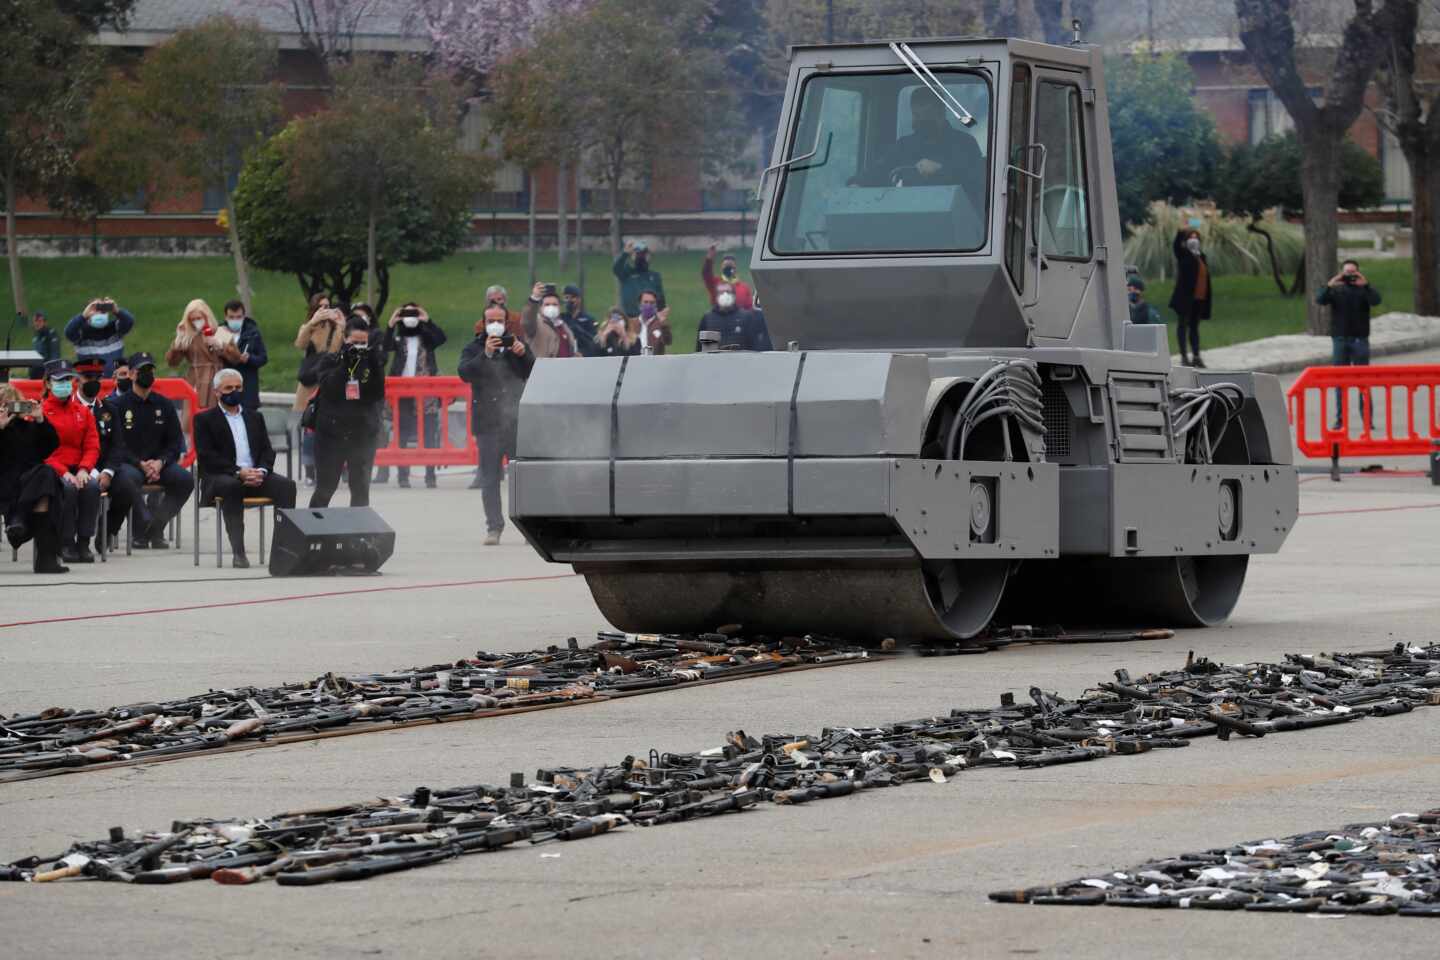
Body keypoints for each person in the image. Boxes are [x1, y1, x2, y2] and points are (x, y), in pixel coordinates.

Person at [195, 369, 298, 568]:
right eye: (228, 388)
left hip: (255, 475)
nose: (234, 391)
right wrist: (238, 472)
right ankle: (239, 553)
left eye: (238, 387)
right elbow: (207, 457)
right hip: (222, 477)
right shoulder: (204, 419)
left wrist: (261, 471)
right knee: (232, 486)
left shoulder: (254, 417)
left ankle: (282, 550)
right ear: (217, 392)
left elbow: (267, 451)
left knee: (287, 486)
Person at [457, 305, 533, 545]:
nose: (496, 324)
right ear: (483, 323)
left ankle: (528, 528)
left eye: (500, 319)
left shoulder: (515, 344)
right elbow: (464, 372)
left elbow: (532, 370)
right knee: (489, 479)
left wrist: (524, 354)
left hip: (514, 421)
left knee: (520, 478)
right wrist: (486, 354)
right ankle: (494, 527)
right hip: (488, 424)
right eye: (491, 320)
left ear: (507, 323)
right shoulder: (473, 348)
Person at [105, 352, 193, 549]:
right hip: (129, 464)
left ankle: (155, 526)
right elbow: (115, 444)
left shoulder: (164, 404)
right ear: (131, 375)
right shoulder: (117, 405)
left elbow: (174, 441)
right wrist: (139, 464)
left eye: (150, 370)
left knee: (185, 480)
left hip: (158, 464)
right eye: (142, 370)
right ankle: (128, 528)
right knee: (128, 481)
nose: (147, 374)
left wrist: (160, 462)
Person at [304, 315, 386, 508]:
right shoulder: (330, 360)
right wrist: (345, 365)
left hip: (362, 434)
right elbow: (330, 389)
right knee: (326, 488)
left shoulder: (370, 363)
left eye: (363, 343)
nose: (358, 347)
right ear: (345, 339)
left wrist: (374, 363)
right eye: (354, 342)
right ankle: (314, 530)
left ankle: (358, 535)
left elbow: (377, 393)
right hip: (331, 435)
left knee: (360, 488)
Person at [859, 94, 985, 205]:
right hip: (910, 215)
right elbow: (880, 170)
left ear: (940, 114)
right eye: (914, 115)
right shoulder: (904, 145)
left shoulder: (965, 143)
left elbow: (978, 181)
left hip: (957, 221)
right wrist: (858, 183)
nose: (916, 121)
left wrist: (941, 169)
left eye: (922, 116)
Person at [376, 301, 446, 489]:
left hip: (427, 393)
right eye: (406, 314)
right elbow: (384, 347)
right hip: (403, 393)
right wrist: (391, 324)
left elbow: (441, 338)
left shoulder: (427, 338)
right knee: (402, 436)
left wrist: (427, 319)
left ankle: (430, 476)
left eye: (413, 313)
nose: (410, 317)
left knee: (429, 436)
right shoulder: (399, 339)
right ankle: (403, 476)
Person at [0, 383, 68, 573]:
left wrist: (40, 419)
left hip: (29, 482)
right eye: (4, 406)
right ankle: (45, 560)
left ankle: (19, 521)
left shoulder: (30, 428)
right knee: (46, 487)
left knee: (46, 474)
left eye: (14, 405)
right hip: (5, 483)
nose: (10, 411)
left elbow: (51, 446)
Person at [39, 360, 101, 563]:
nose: (65, 384)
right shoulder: (41, 413)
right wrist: (63, 472)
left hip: (78, 467)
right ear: (48, 384)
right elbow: (40, 451)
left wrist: (84, 469)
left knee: (92, 486)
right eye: (59, 380)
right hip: (53, 469)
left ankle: (84, 541)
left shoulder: (82, 411)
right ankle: (65, 542)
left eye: (68, 379)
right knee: (68, 488)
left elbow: (92, 445)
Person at [1317, 259, 1383, 429]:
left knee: (1363, 381)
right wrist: (1330, 285)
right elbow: (1320, 299)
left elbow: (1376, 300)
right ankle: (1340, 420)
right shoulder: (1336, 291)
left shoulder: (1364, 290)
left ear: (1358, 273)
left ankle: (1368, 421)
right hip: (1340, 340)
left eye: (1353, 273)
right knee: (1340, 382)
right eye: (1347, 273)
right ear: (1341, 273)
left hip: (1360, 340)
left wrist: (1366, 285)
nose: (1350, 277)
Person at [294, 293, 346, 486]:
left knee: (334, 429)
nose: (325, 310)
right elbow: (300, 343)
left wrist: (340, 325)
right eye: (320, 306)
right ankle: (309, 470)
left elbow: (334, 352)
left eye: (327, 306)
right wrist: (312, 323)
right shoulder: (308, 327)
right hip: (309, 385)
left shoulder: (337, 327)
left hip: (328, 381)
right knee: (309, 429)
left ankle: (332, 468)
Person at [73, 358, 119, 552]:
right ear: (77, 380)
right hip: (75, 467)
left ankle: (107, 530)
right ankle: (75, 541)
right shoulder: (67, 407)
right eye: (87, 377)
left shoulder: (109, 410)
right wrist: (88, 470)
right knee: (86, 487)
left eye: (97, 377)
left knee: (127, 483)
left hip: (104, 466)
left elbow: (118, 446)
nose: (92, 381)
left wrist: (107, 471)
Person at [165, 299, 228, 409]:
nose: (196, 322)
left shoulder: (220, 331)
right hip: (195, 379)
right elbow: (173, 362)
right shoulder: (188, 336)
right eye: (192, 319)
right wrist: (178, 342)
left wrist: (218, 345)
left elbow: (234, 358)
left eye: (199, 318)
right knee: (193, 414)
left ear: (207, 316)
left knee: (215, 414)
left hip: (217, 378)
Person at [1169, 229, 1212, 368]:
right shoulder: (1183, 255)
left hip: (1199, 299)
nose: (1194, 240)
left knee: (1194, 327)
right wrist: (1181, 232)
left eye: (1196, 238)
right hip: (1185, 299)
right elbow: (1176, 246)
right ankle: (1183, 356)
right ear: (1186, 241)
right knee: (1183, 326)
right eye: (1191, 238)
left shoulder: (1202, 256)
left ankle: (1196, 356)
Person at [64, 297, 135, 375]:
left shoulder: (115, 328)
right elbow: (69, 332)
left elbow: (129, 321)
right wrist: (83, 316)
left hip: (115, 381)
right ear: (88, 313)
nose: (99, 313)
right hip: (92, 382)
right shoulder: (81, 332)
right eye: (95, 310)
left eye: (103, 311)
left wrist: (116, 310)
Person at [696, 282, 773, 352]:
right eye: (721, 292)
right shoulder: (708, 318)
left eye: (728, 292)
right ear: (716, 296)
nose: (725, 295)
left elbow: (754, 344)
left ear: (734, 295)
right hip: (713, 361)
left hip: (740, 361)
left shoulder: (746, 317)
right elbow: (699, 346)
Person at [220, 299, 268, 411]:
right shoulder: (221, 332)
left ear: (244, 316)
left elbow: (263, 358)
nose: (235, 320)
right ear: (226, 317)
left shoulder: (253, 332)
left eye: (238, 317)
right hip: (226, 385)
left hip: (247, 386)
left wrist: (249, 359)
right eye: (231, 317)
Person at [522, 282, 578, 359]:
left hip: (565, 369)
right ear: (540, 308)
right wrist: (534, 299)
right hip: (542, 369)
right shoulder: (536, 324)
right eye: (547, 304)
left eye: (555, 304)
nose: (551, 307)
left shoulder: (564, 326)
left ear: (559, 307)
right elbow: (527, 320)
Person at [613, 240, 665, 317]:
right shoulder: (626, 274)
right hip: (631, 317)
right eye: (637, 254)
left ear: (649, 256)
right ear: (632, 256)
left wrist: (661, 315)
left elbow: (661, 300)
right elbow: (616, 268)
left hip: (650, 317)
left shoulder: (654, 276)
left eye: (643, 254)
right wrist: (625, 253)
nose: (641, 257)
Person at [701, 246, 755, 311]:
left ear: (735, 268)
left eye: (730, 265)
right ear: (722, 267)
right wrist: (709, 258)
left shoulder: (744, 288)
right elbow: (706, 274)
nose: (728, 268)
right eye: (726, 265)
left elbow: (749, 308)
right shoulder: (715, 283)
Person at [562, 284, 599, 356]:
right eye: (566, 297)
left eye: (573, 297)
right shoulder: (561, 318)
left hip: (583, 357)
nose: (569, 300)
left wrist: (583, 353)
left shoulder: (588, 320)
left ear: (579, 299)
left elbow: (594, 342)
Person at [633, 289, 672, 356]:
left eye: (652, 303)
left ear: (656, 306)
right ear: (639, 305)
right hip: (635, 362)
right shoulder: (632, 323)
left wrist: (663, 323)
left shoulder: (660, 324)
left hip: (654, 363)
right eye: (645, 302)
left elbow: (668, 341)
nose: (648, 305)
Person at [28, 311, 62, 380]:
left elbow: (54, 355)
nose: (37, 323)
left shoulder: (51, 334)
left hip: (47, 371)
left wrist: (49, 374)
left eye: (40, 321)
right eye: (35, 321)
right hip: (35, 371)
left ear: (45, 322)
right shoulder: (36, 337)